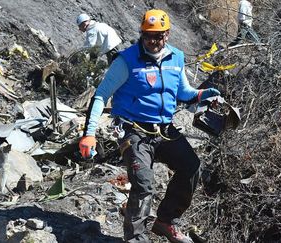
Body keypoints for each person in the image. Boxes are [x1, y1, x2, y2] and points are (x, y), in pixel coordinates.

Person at [78, 9, 220, 243]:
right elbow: (101, 95)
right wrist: (89, 134)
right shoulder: (126, 60)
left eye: (159, 36)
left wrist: (203, 94)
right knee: (144, 184)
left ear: (167, 35)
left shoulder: (176, 57)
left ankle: (165, 222)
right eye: (148, 36)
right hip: (133, 131)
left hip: (164, 129)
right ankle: (135, 238)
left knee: (192, 167)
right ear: (141, 34)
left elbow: (183, 92)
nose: (153, 41)